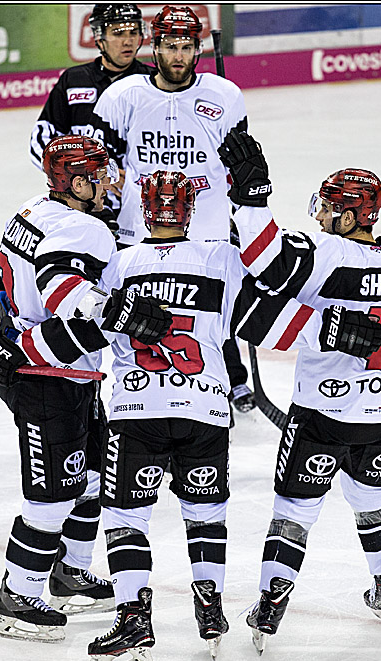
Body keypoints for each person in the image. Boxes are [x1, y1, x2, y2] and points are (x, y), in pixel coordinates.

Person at [84, 170, 381, 661]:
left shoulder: (119, 263)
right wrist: (333, 330)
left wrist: (27, 351)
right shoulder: (220, 258)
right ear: (189, 210)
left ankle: (134, 622)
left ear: (142, 207)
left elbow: (89, 328)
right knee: (205, 515)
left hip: (137, 412)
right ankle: (210, 611)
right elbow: (264, 318)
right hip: (205, 411)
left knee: (125, 520)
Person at [218, 130, 381, 650]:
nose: (318, 215)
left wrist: (250, 200)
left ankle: (272, 601)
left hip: (323, 413)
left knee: (295, 509)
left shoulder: (324, 254)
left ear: (347, 215)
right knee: (374, 498)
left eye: (327, 208)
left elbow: (267, 262)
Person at [0, 134, 172, 643]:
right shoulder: (86, 229)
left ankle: (69, 573)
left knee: (95, 476)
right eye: (101, 175)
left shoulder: (32, 211)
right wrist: (122, 313)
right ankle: (18, 597)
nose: (110, 184)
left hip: (66, 371)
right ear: (78, 183)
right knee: (52, 496)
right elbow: (66, 297)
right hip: (45, 377)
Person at [88, 4, 256, 413]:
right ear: (155, 46)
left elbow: (242, 162)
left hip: (207, 230)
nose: (178, 55)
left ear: (197, 49)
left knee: (213, 314)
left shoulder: (225, 96)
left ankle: (220, 384)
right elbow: (98, 156)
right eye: (169, 46)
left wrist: (242, 203)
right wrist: (109, 184)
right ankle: (137, 384)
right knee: (135, 313)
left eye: (186, 46)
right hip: (139, 230)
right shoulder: (122, 96)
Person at [29, 4, 152, 239]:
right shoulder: (73, 80)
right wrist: (79, 176)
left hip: (139, 208)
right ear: (99, 37)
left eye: (133, 32)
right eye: (118, 33)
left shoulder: (151, 83)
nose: (128, 41)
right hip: (81, 202)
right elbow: (41, 139)